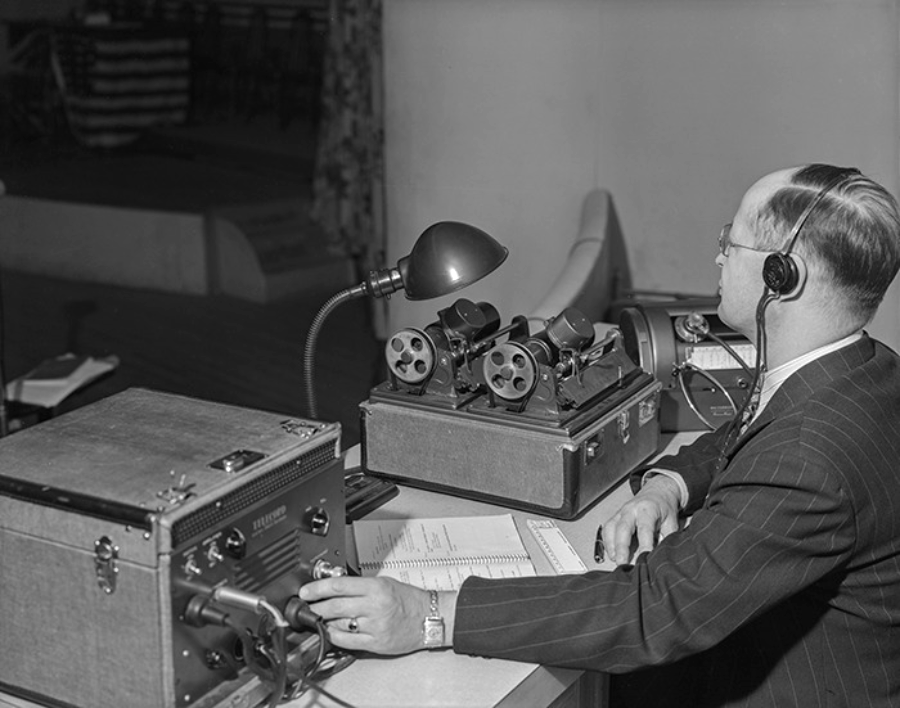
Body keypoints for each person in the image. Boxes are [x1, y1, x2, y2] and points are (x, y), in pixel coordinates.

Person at [300, 163, 900, 707]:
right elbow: (750, 428)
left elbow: (654, 611)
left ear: (781, 275)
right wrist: (667, 484)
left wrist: (428, 613)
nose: (717, 258)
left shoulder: (806, 457)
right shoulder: (862, 371)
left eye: (729, 242)